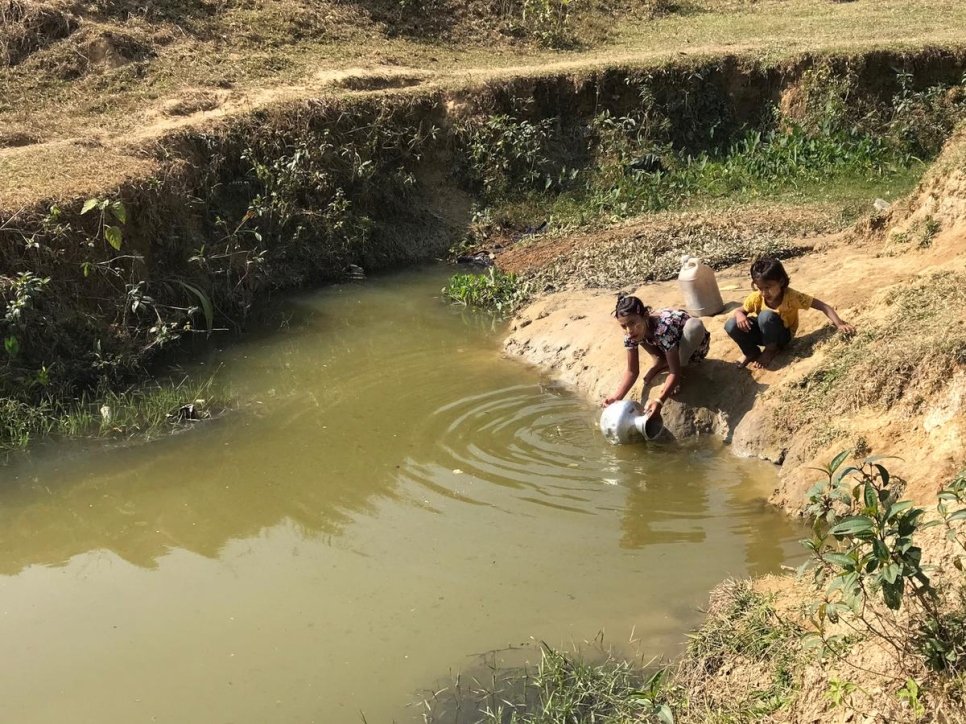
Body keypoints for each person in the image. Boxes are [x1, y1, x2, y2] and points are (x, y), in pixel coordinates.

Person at [725, 257, 854, 369]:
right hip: (764, 334)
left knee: (765, 316)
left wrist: (839, 324)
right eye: (760, 288)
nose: (764, 293)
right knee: (731, 325)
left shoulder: (792, 297)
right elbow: (740, 311)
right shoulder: (756, 297)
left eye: (768, 287)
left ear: (781, 282)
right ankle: (751, 353)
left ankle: (771, 350)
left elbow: (823, 306)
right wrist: (740, 315)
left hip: (782, 336)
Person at [602, 293, 710, 417]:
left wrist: (659, 400)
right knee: (639, 334)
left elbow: (674, 372)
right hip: (666, 345)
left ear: (645, 316)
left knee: (693, 326)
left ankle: (679, 363)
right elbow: (632, 371)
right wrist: (616, 397)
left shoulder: (664, 328)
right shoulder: (631, 333)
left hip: (693, 347)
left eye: (632, 322)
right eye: (624, 325)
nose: (629, 329)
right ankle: (660, 360)